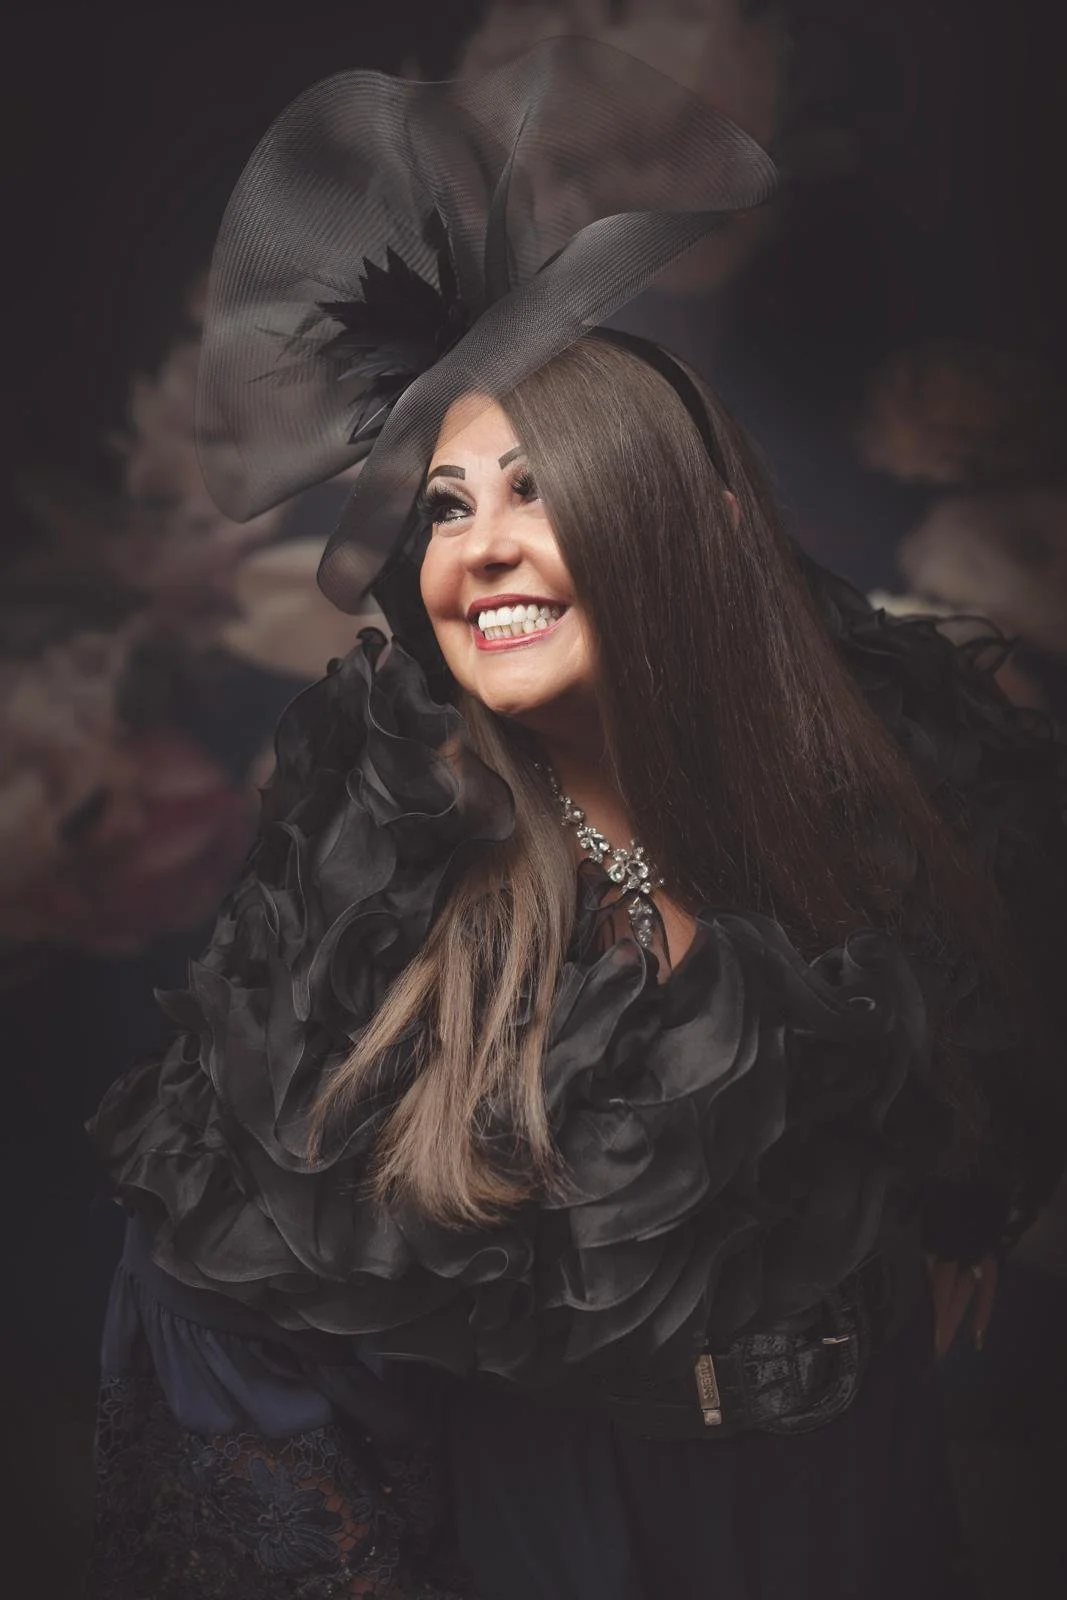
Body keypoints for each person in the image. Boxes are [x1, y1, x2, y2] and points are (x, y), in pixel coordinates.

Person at [85, 40, 1066, 1600]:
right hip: (567, 1537)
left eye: (535, 490)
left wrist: (956, 1191)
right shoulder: (387, 898)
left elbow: (986, 981)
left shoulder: (881, 796)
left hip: (858, 1508)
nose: (477, 549)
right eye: (447, 509)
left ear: (698, 526)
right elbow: (221, 1290)